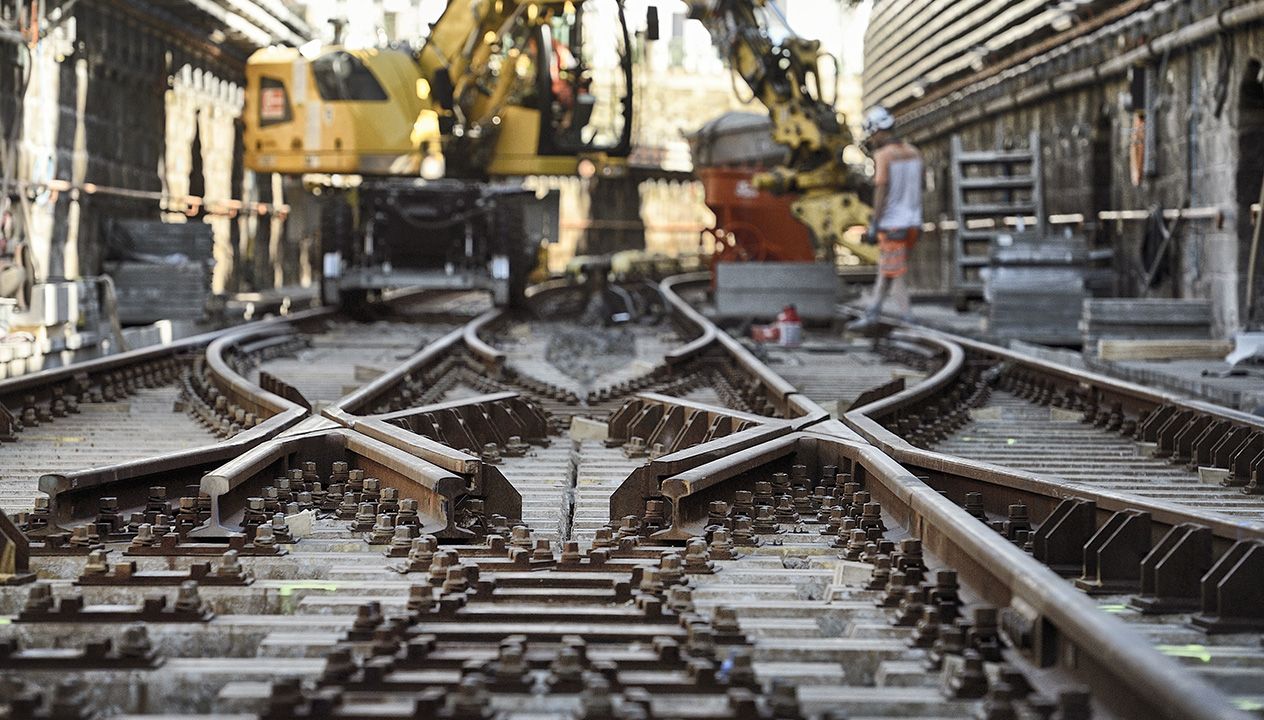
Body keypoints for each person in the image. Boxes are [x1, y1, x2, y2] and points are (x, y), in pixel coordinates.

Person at [848, 105, 923, 332]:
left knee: (894, 271)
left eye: (872, 133)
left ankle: (907, 316)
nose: (871, 139)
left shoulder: (884, 156)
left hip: (892, 223)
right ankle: (873, 311)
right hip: (913, 222)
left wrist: (875, 223)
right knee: (886, 268)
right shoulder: (914, 152)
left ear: (878, 130)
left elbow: (881, 190)